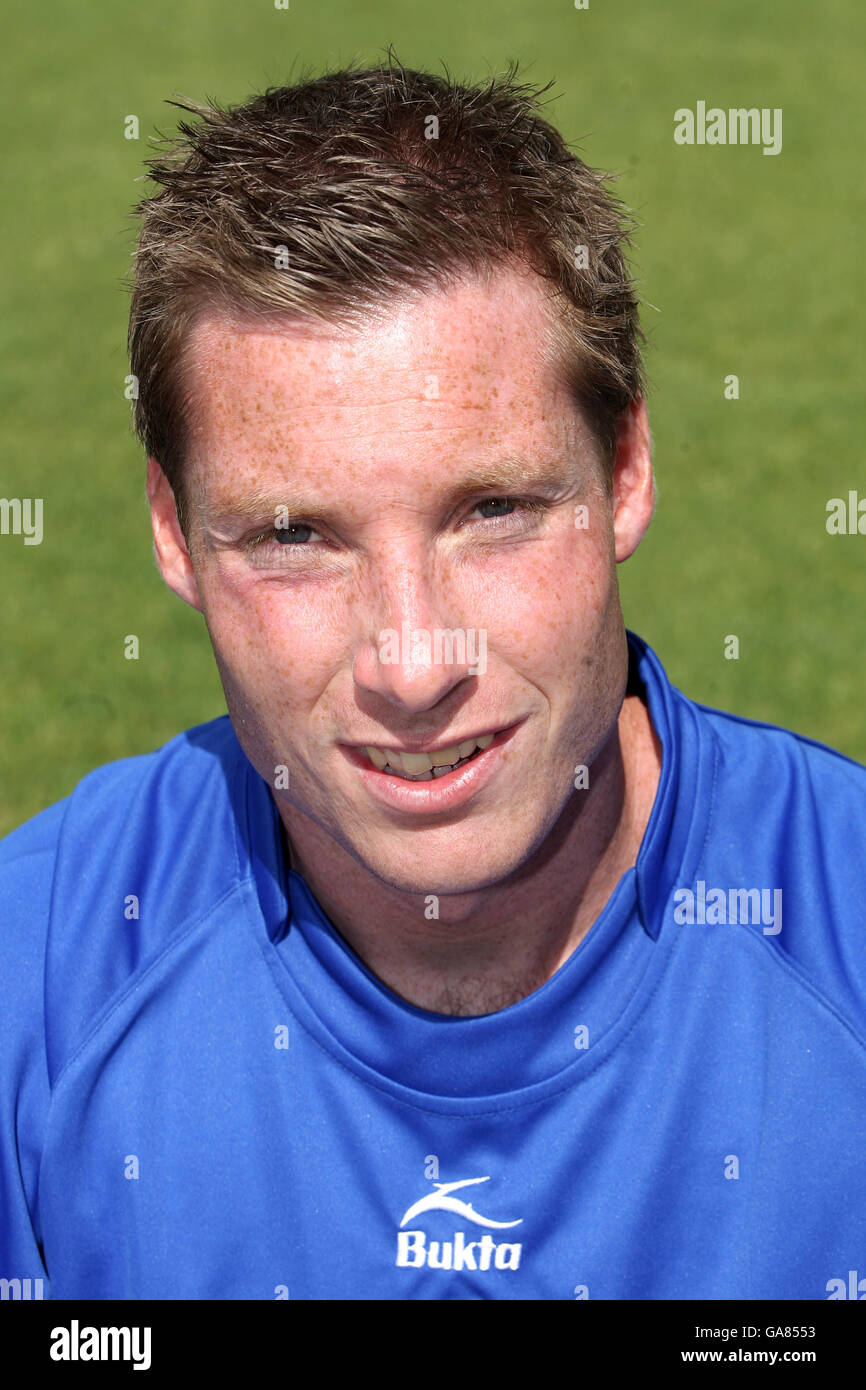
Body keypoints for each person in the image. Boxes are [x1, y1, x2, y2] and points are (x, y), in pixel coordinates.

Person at [2, 56, 865, 1303]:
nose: (412, 665)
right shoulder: (34, 982)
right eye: (295, 536)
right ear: (173, 533)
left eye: (493, 510)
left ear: (622, 470)